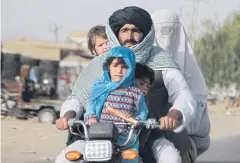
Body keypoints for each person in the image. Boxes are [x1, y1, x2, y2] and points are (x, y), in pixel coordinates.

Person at [56, 6, 196, 163]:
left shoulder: (161, 60)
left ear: (145, 34)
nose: (130, 36)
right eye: (124, 30)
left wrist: (174, 114)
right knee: (64, 159)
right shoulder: (100, 63)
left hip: (146, 133)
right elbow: (78, 98)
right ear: (116, 34)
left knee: (171, 158)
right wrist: (67, 116)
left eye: (135, 30)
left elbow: (182, 94)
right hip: (96, 134)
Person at [151, 9, 210, 156]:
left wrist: (179, 118)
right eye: (161, 30)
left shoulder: (189, 67)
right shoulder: (141, 61)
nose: (166, 37)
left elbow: (194, 99)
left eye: (170, 30)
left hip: (183, 133)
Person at [84, 46, 148, 163]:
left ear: (131, 69)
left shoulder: (135, 93)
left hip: (126, 140)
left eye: (124, 67)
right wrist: (91, 117)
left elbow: (143, 112)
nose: (119, 71)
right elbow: (91, 105)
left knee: (131, 160)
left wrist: (136, 119)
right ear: (108, 67)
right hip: (100, 137)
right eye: (115, 66)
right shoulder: (99, 88)